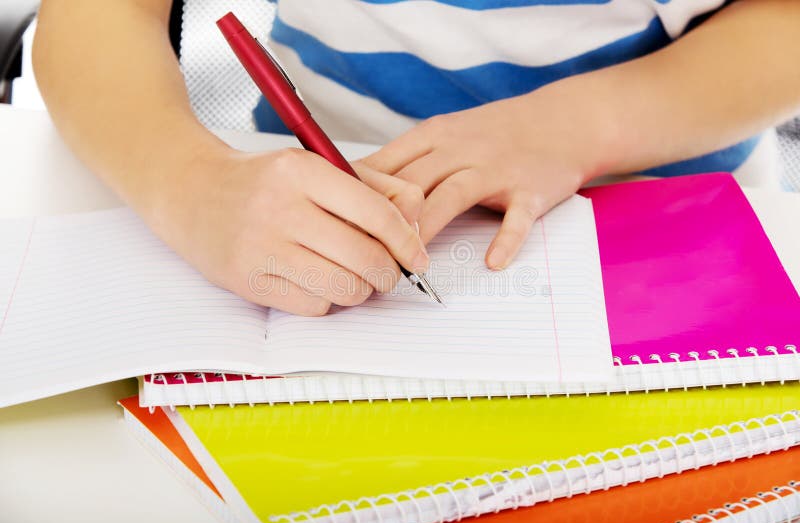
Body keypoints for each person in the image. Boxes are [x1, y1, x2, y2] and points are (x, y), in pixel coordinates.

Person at [33, 0, 800, 316]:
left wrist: (580, 126)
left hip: (672, 198)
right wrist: (189, 182)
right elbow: (93, 15)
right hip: (314, 178)